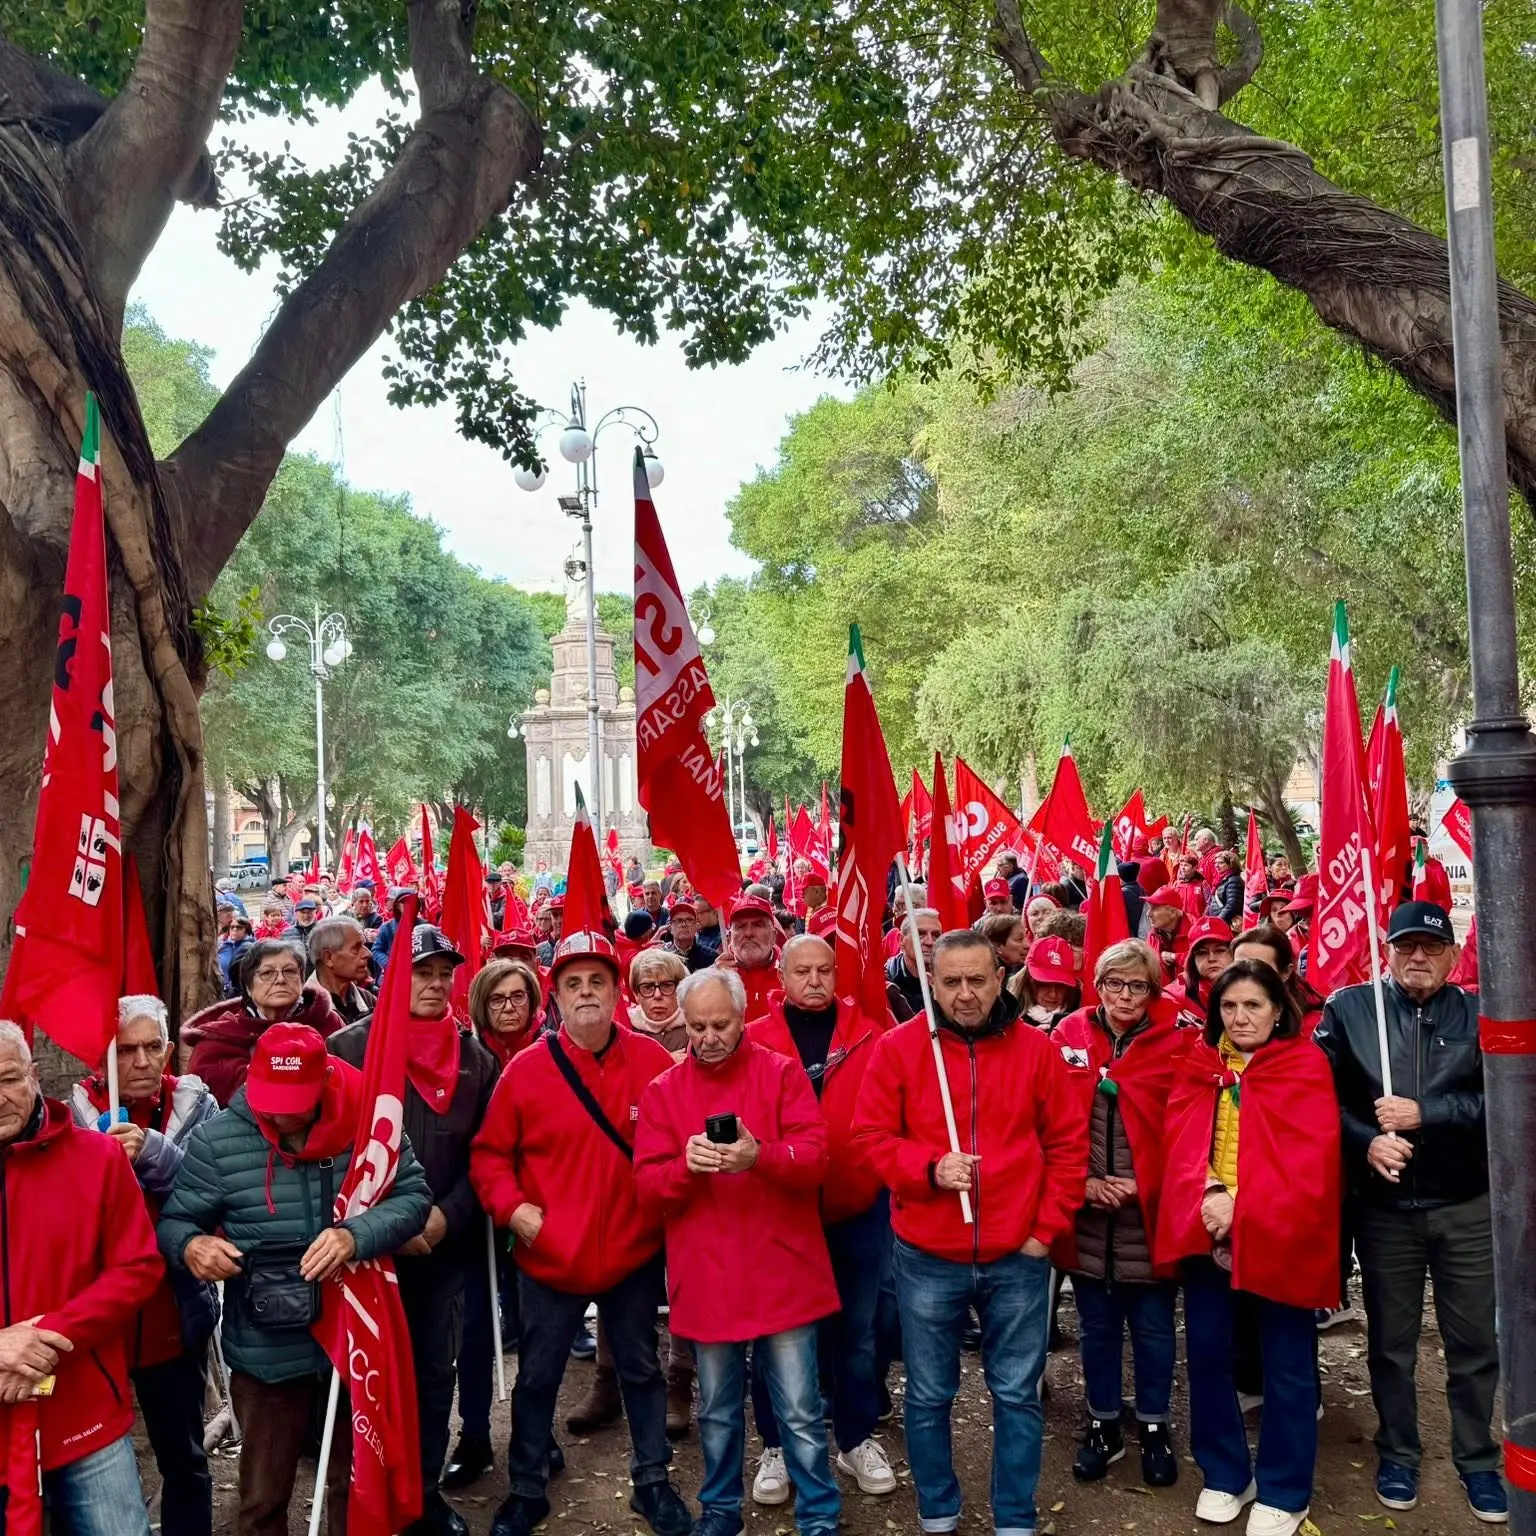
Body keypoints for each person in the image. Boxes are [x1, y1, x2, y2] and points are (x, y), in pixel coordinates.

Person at [853, 930, 1087, 1536]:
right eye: (951, 981)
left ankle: (1014, 1517)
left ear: (1000, 976)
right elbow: (871, 1139)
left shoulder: (1036, 1050)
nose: (964, 994)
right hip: (929, 1254)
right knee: (929, 1395)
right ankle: (938, 1511)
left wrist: (1044, 1231)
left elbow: (1066, 1144)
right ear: (932, 982)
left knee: (1016, 1395)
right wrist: (927, 1169)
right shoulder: (900, 1049)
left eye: (977, 980)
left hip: (1018, 1255)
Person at [158, 1022, 431, 1536]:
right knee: (262, 1497)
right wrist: (193, 1246)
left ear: (325, 1080)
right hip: (266, 1343)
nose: (282, 1114)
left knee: (356, 1482)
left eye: (296, 1100)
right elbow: (175, 1222)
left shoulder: (367, 1118)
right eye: (271, 1099)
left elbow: (413, 1197)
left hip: (355, 1334)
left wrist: (356, 1235)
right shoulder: (218, 1141)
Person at [470, 932, 693, 1536]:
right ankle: (526, 1486)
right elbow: (490, 1156)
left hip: (632, 1254)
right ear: (557, 997)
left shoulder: (652, 1063)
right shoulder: (525, 1070)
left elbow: (677, 1145)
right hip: (550, 1258)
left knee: (642, 1370)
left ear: (618, 992)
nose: (587, 993)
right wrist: (513, 1209)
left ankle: (653, 1481)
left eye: (598, 981)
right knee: (538, 1376)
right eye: (574, 983)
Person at [1313, 903, 1504, 1522]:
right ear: (1387, 951)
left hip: (1465, 1206)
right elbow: (1317, 1099)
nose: (1417, 957)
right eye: (1405, 946)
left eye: (1431, 947)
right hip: (1386, 1211)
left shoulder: (1480, 1015)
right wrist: (1366, 1137)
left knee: (1473, 1340)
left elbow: (1505, 1099)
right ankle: (1397, 1450)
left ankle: (1477, 1458)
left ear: (1452, 956)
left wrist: (1430, 1111)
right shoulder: (1348, 1010)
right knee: (1391, 1342)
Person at [636, 968, 843, 1536]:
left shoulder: (780, 1073)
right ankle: (721, 1512)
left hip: (782, 1269)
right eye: (697, 1026)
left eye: (721, 1024)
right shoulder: (663, 1091)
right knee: (717, 1413)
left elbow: (817, 1157)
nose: (708, 1037)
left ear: (742, 1013)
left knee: (800, 1410)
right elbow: (648, 1188)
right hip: (710, 1275)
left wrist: (764, 1157)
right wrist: (686, 1168)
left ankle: (819, 1515)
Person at [1157, 962, 1340, 1536]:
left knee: (1286, 1364)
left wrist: (1245, 1205)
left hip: (1280, 1236)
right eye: (1230, 1006)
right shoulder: (1199, 1064)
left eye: (1253, 1005)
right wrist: (1210, 1191)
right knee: (1208, 1355)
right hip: (1205, 1230)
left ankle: (1286, 1489)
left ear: (1279, 1009)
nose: (1240, 1017)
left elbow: (1313, 1163)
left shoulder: (1304, 1065)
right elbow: (1179, 1142)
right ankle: (1226, 1473)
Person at [329, 925, 499, 1536]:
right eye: (421, 971)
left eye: (442, 973)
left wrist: (445, 1215)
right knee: (366, 1379)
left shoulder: (477, 1060)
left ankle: (423, 1498)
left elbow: (490, 1155)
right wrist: (380, 1225)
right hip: (366, 1254)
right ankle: (364, 1497)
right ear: (396, 977)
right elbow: (327, 1151)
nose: (433, 983)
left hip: (440, 1248)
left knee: (433, 1377)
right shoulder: (349, 1049)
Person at [747, 936, 896, 1501]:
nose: (814, 980)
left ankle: (855, 1437)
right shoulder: (754, 1038)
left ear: (838, 975)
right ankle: (777, 1446)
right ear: (780, 976)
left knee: (857, 1333)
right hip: (779, 1211)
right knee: (777, 1334)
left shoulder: (867, 1035)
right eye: (802, 970)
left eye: (824, 970)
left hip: (855, 1207)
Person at [0, 1021, 163, 1536]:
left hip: (82, 1405)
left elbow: (138, 1268)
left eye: (7, 1078)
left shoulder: (97, 1158)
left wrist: (46, 1333)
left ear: (34, 1073)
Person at [69, 998, 218, 1536]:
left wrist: (154, 1151)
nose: (138, 1061)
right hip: (97, 1324)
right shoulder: (73, 1116)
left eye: (150, 1047)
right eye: (124, 1050)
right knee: (93, 1455)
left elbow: (214, 1196)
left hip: (171, 1317)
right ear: (100, 1059)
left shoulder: (197, 1108)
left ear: (169, 1051)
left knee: (183, 1454)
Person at [1051, 941, 1184, 1487]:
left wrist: (1142, 1185)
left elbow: (1188, 1132)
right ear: (1097, 984)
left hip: (1147, 1217)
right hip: (1086, 1216)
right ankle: (1102, 1422)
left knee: (1153, 1328)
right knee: (1096, 1328)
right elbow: (1049, 1117)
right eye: (1115, 983)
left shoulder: (1178, 1043)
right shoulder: (1067, 1035)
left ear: (1154, 992)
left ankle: (1154, 1424)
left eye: (1139, 986)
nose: (1126, 996)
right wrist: (1080, 1182)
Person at [444, 958, 549, 1492]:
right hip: (477, 1214)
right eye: (497, 999)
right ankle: (476, 1433)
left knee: (537, 1325)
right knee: (478, 1330)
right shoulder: (466, 1057)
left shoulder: (552, 1053)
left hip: (537, 1212)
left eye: (518, 997)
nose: (509, 1008)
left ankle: (537, 1430)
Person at [181, 939, 346, 1105]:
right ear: (248, 986)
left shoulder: (328, 1023)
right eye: (267, 973)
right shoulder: (217, 1040)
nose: (281, 980)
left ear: (302, 980)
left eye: (290, 971)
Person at [715, 894, 782, 1018]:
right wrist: (714, 986)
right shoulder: (714, 977)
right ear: (729, 937)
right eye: (740, 926)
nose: (749, 933)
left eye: (758, 925)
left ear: (774, 936)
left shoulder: (792, 973)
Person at [308, 915, 378, 1024]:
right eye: (356, 948)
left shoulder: (369, 1000)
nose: (367, 954)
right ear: (328, 958)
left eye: (364, 946)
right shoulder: (304, 1014)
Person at [1168, 916, 1234, 1029]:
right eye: (1202, 953)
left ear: (1233, 953)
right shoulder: (1176, 995)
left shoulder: (1252, 986)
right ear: (1193, 959)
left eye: (1220, 950)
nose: (1211, 958)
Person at [1007, 934, 1082, 1029]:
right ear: (1027, 980)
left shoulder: (1081, 1019)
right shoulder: (1004, 1015)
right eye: (1043, 984)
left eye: (1061, 986)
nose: (1053, 994)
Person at [630, 949, 691, 1060]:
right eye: (647, 987)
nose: (657, 995)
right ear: (636, 994)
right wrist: (662, 1062)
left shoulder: (696, 1027)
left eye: (667, 985)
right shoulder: (625, 1032)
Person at [885, 905, 941, 1017]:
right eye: (920, 934)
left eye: (936, 935)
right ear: (901, 940)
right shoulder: (887, 983)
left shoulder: (951, 978)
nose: (930, 942)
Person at [1143, 884, 1192, 980]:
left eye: (1154, 908)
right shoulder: (1153, 934)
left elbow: (1205, 961)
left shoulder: (1196, 930)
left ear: (1172, 912)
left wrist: (1175, 957)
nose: (1148, 913)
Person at [662, 898, 713, 972]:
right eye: (679, 921)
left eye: (689, 920)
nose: (684, 925)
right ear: (671, 928)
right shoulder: (661, 956)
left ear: (696, 926)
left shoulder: (710, 957)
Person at [977, 913, 1029, 979]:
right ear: (997, 947)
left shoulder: (1026, 968)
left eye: (1025, 938)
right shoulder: (991, 979)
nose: (1027, 945)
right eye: (1019, 939)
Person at [218, 913, 254, 995]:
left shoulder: (253, 947)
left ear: (246, 930)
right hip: (221, 990)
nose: (234, 930)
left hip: (243, 991)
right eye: (232, 927)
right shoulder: (220, 945)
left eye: (239, 927)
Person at [1207, 852, 1246, 924]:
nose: (1217, 866)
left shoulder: (1234, 880)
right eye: (1216, 863)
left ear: (1231, 864)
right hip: (1219, 921)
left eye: (1221, 863)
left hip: (1226, 923)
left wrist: (1218, 921)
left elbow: (1232, 906)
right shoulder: (1221, 879)